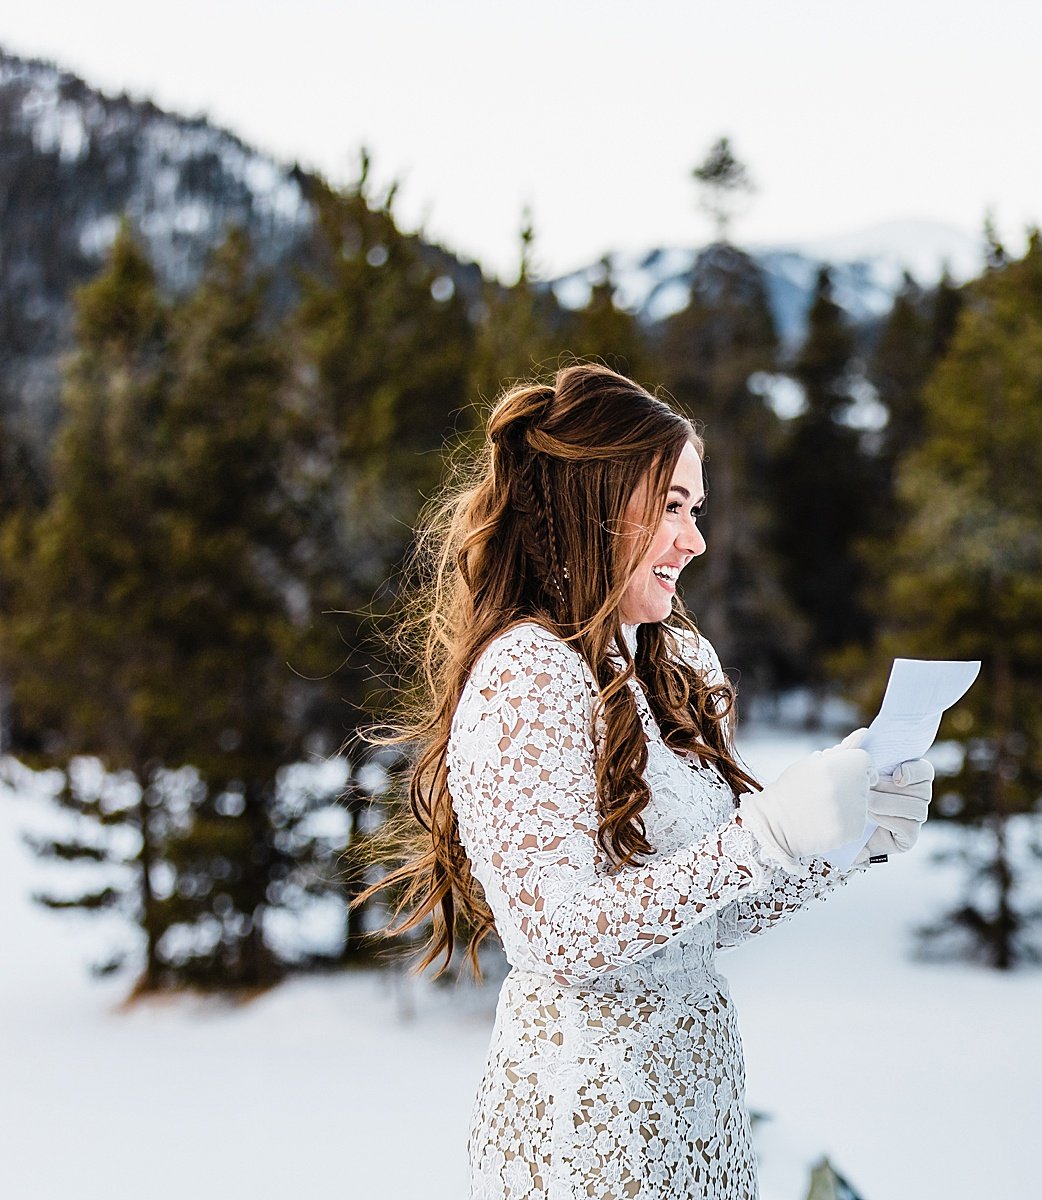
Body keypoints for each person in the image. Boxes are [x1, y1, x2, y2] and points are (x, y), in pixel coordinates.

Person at [368, 362, 933, 1199]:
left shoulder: (673, 664)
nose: (694, 539)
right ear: (592, 505)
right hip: (582, 1144)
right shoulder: (526, 673)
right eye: (672, 505)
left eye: (694, 510)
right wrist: (763, 834)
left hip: (698, 1124)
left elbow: (701, 921)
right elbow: (556, 937)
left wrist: (843, 843)